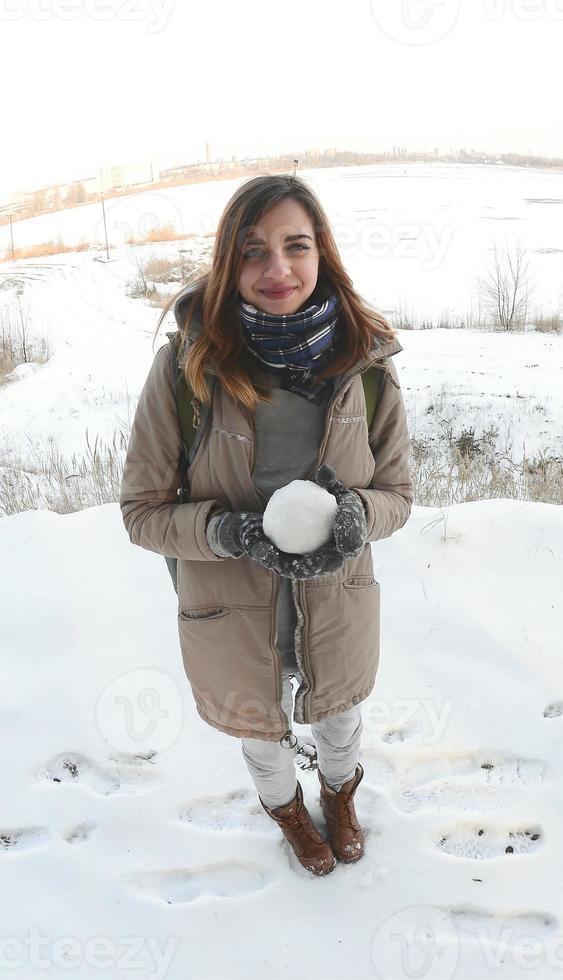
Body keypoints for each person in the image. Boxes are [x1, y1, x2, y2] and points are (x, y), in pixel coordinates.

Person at [119, 174, 413, 876]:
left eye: (295, 245)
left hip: (336, 604)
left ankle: (340, 796)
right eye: (253, 251)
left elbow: (398, 493)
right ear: (228, 264)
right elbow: (142, 512)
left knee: (339, 721)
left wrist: (353, 517)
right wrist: (230, 534)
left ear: (323, 254)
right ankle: (286, 811)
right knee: (262, 733)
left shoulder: (367, 367)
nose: (277, 269)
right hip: (233, 614)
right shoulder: (187, 371)